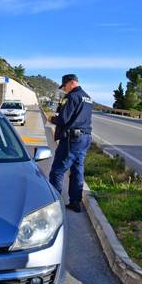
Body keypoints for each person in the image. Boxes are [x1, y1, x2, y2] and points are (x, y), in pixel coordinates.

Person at [48, 74, 93, 213]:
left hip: (71, 140)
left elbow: (63, 119)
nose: (65, 89)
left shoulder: (72, 97)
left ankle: (54, 203)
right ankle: (75, 202)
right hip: (85, 138)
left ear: (72, 83)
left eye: (65, 86)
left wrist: (52, 119)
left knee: (57, 170)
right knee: (77, 170)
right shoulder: (88, 98)